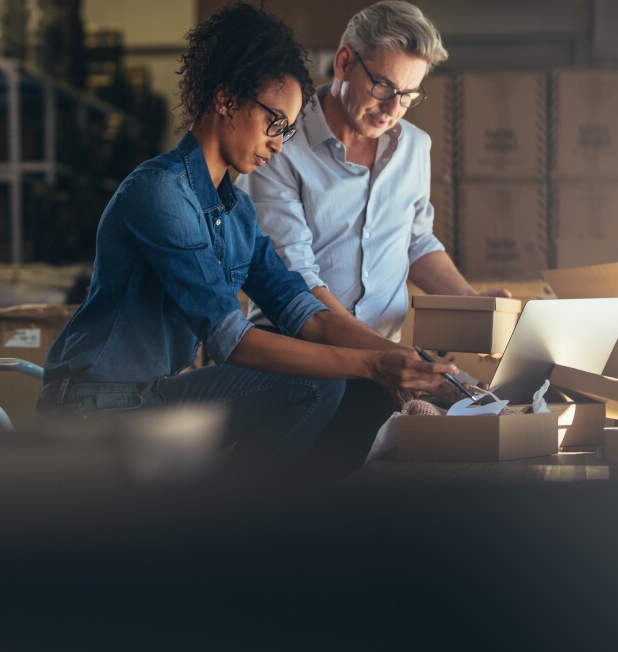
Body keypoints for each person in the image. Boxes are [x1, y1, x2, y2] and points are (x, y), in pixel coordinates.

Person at [36, 1, 455, 473]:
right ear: (227, 99)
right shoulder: (160, 193)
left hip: (151, 396)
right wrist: (371, 365)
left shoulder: (235, 211)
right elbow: (229, 340)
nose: (279, 143)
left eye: (289, 129)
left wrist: (403, 357)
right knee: (336, 381)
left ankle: (240, 521)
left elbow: (304, 313)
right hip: (94, 406)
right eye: (275, 123)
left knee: (322, 385)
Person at [236, 0, 509, 471]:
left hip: (390, 360)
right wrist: (399, 363)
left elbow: (417, 241)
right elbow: (296, 282)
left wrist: (475, 305)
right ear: (344, 62)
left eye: (408, 94)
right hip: (302, 357)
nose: (392, 109)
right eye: (383, 86)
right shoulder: (280, 144)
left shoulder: (415, 148)